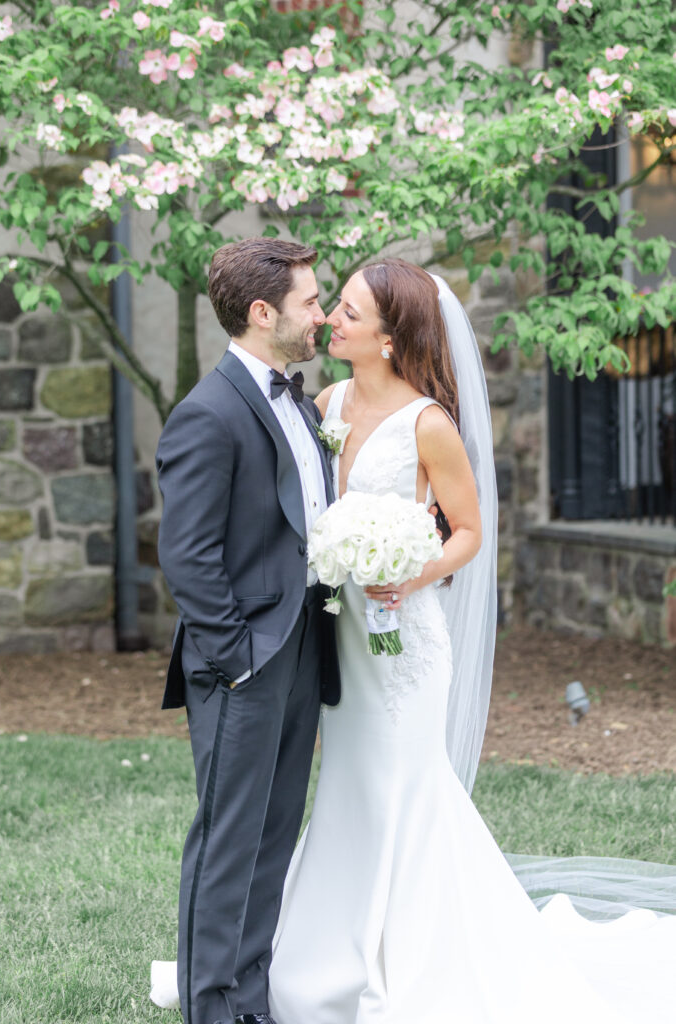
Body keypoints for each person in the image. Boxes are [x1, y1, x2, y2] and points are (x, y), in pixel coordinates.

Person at [266, 259, 676, 1024]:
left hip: (405, 645)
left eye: (349, 313)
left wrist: (410, 572)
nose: (332, 321)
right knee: (351, 786)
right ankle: (324, 954)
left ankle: (413, 963)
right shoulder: (325, 401)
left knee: (404, 789)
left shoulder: (428, 423)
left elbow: (469, 535)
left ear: (390, 338)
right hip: (345, 641)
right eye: (336, 309)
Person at [153, 237, 340, 1024]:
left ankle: (249, 1000)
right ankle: (210, 1008)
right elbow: (187, 557)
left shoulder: (296, 397)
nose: (322, 313)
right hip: (245, 661)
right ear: (263, 313)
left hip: (302, 645)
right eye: (310, 301)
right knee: (229, 841)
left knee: (272, 834)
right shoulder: (206, 414)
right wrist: (236, 657)